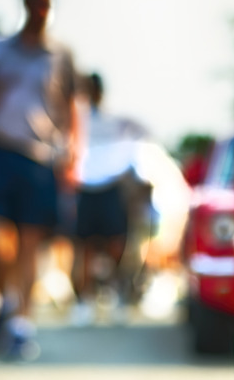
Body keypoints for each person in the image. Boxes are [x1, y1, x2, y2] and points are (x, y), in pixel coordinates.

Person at [0, 0, 81, 357]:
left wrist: (71, 157)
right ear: (25, 4)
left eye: (46, 2)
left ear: (52, 7)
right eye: (34, 1)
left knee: (29, 246)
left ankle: (21, 322)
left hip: (40, 157)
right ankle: (5, 299)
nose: (40, 8)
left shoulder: (61, 55)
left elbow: (70, 108)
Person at [70, 73, 148, 325]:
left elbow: (138, 142)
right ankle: (84, 300)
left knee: (117, 245)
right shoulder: (75, 120)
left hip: (111, 188)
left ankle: (115, 292)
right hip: (85, 189)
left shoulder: (116, 121)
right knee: (85, 248)